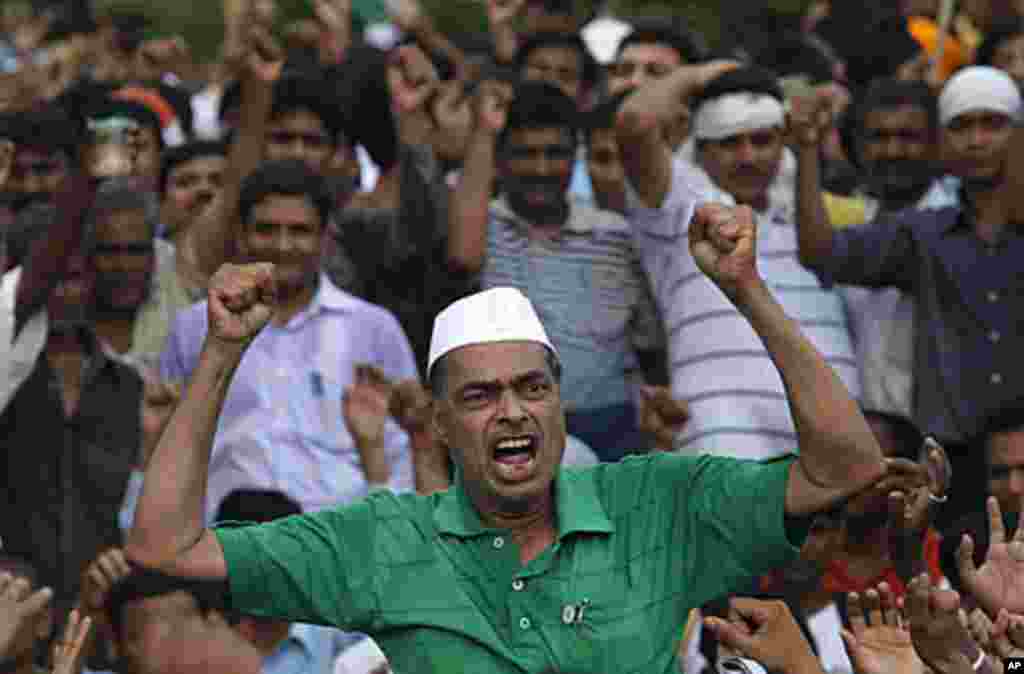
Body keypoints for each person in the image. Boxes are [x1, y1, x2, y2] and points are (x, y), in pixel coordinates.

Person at [126, 198, 925, 673]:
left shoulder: (656, 500)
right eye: (480, 395)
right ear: (437, 425)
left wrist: (745, 290)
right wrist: (223, 352)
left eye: (532, 387)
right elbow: (165, 549)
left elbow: (848, 464)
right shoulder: (380, 540)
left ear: (559, 403)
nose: (512, 411)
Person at [794, 66, 1024, 526]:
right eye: (962, 126)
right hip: (951, 471)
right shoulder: (924, 235)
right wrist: (804, 151)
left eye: (992, 124)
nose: (977, 140)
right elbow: (821, 253)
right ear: (943, 141)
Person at [616, 64, 859, 459]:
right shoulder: (681, 205)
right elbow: (635, 122)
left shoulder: (809, 212)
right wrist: (705, 75)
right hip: (725, 442)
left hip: (831, 436)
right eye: (730, 142)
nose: (748, 156)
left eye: (762, 140)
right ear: (703, 147)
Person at [159, 160, 418, 513]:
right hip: (225, 540)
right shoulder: (196, 327)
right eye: (266, 229)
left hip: (339, 538)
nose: (282, 246)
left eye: (299, 231)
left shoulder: (374, 328)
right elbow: (170, 441)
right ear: (240, 234)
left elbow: (401, 450)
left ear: (326, 237)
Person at [448, 80, 665, 460]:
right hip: (510, 427)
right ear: (500, 159)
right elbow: (463, 257)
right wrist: (483, 131)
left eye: (555, 153)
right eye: (525, 154)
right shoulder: (482, 224)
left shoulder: (615, 236)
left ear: (574, 157)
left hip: (612, 429)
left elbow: (650, 346)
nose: (542, 169)